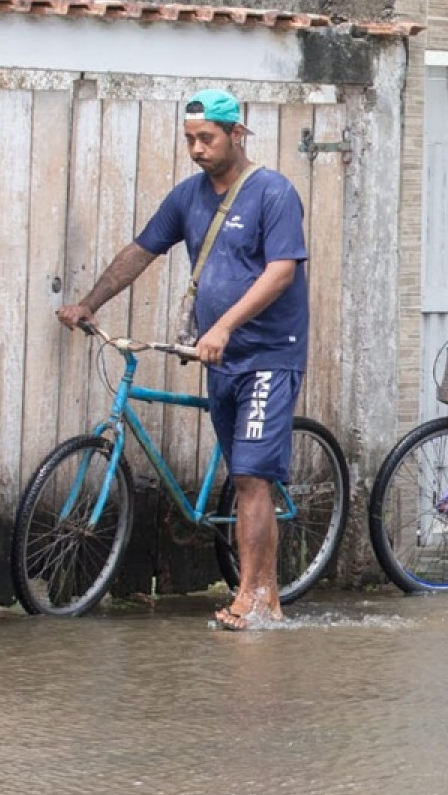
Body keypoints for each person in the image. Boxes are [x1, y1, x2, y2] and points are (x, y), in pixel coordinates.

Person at [56, 88, 310, 630]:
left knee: (251, 477)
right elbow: (140, 252)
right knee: (244, 478)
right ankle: (265, 596)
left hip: (269, 355)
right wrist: (89, 303)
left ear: (236, 134)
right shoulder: (187, 197)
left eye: (207, 138)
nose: (196, 149)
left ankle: (251, 597)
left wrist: (223, 326)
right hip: (220, 358)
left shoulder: (274, 193)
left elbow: (281, 272)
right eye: (190, 139)